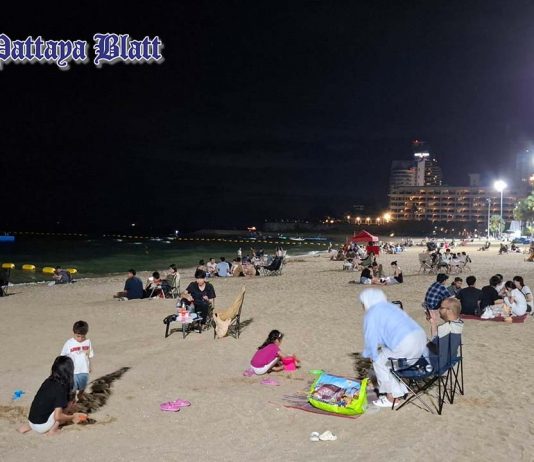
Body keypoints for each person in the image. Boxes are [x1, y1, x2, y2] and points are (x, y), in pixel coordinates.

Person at [360, 289, 428, 408]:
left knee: (379, 363)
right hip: (420, 341)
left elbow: (372, 342)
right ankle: (399, 390)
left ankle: (391, 398)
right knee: (389, 361)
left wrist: (372, 354)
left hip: (406, 345)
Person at [18, 356, 87, 435]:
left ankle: (29, 427)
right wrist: (73, 417)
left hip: (31, 421)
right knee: (68, 403)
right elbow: (57, 416)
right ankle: (53, 430)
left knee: (47, 404)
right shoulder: (61, 388)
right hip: (42, 427)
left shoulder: (48, 381)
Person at [60, 321, 94, 400]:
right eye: (78, 336)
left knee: (83, 386)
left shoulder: (88, 342)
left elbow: (89, 355)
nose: (80, 339)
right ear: (74, 333)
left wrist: (90, 366)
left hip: (84, 370)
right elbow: (62, 356)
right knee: (73, 388)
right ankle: (73, 399)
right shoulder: (69, 343)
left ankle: (80, 395)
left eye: (83, 337)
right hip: (73, 371)